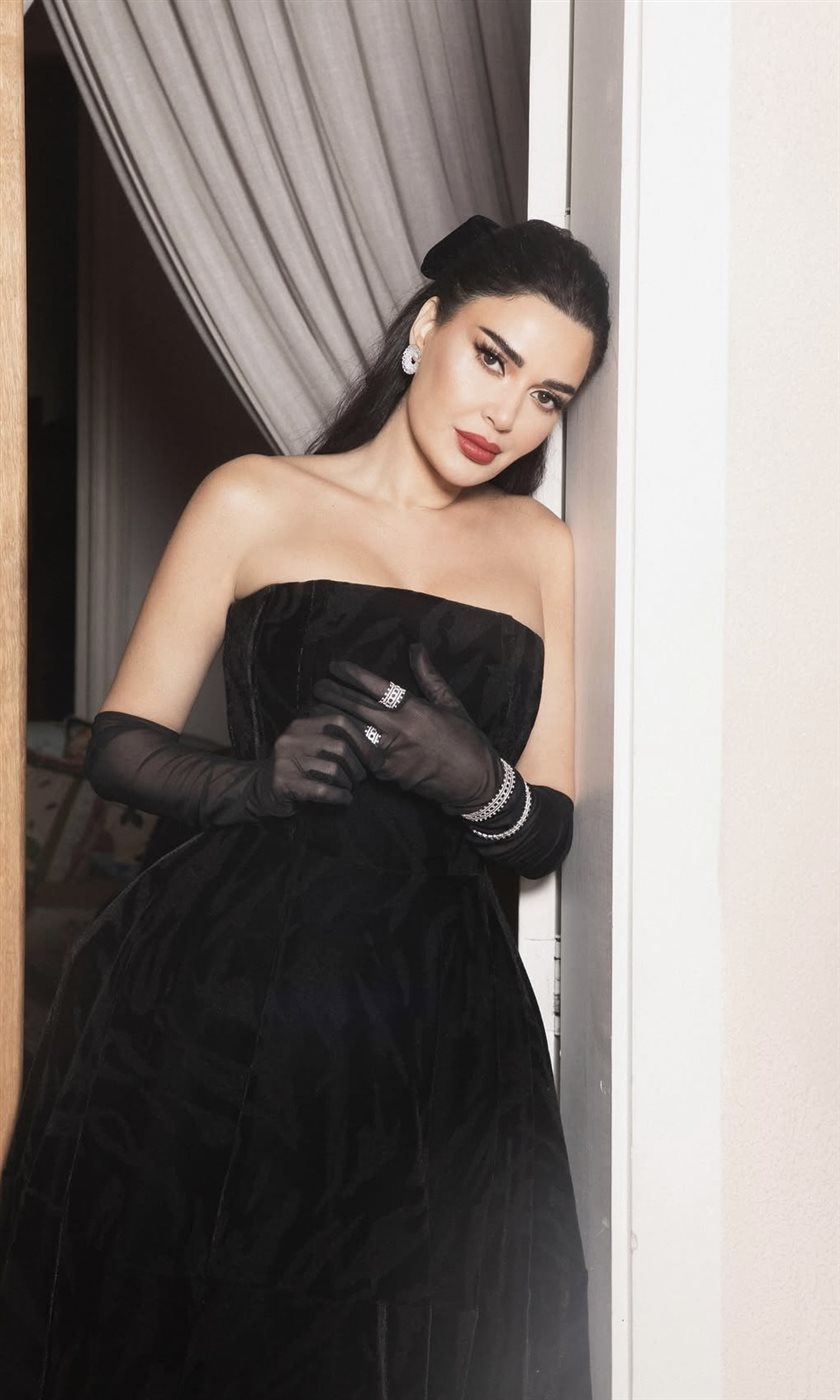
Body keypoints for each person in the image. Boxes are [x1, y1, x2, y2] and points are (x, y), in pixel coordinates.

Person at [0, 215, 610, 1398]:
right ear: (428, 327)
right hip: (226, 987)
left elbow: (548, 827)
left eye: (548, 396)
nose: (506, 413)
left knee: (428, 1333)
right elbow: (120, 743)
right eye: (492, 357)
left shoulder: (541, 547)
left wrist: (472, 777)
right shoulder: (253, 498)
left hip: (439, 1008)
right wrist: (253, 778)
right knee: (202, 1323)